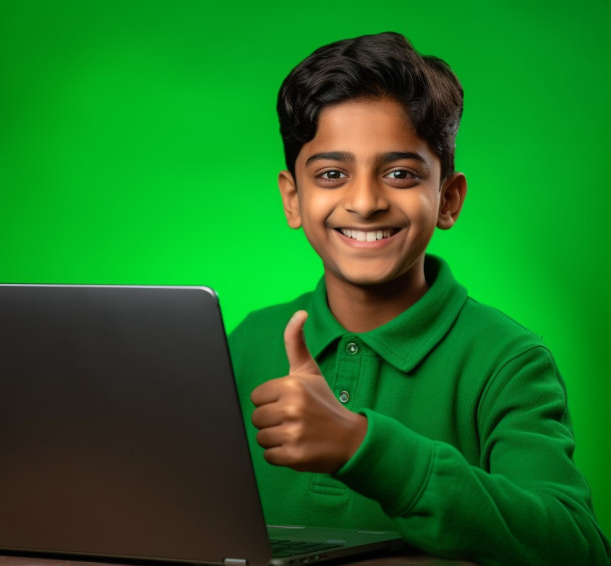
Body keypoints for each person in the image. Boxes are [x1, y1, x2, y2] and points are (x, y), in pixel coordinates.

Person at [228, 32, 611, 566]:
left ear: (448, 199)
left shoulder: (507, 361)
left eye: (401, 173)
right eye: (333, 174)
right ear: (294, 198)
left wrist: (366, 448)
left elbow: (578, 548)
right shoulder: (245, 343)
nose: (364, 202)